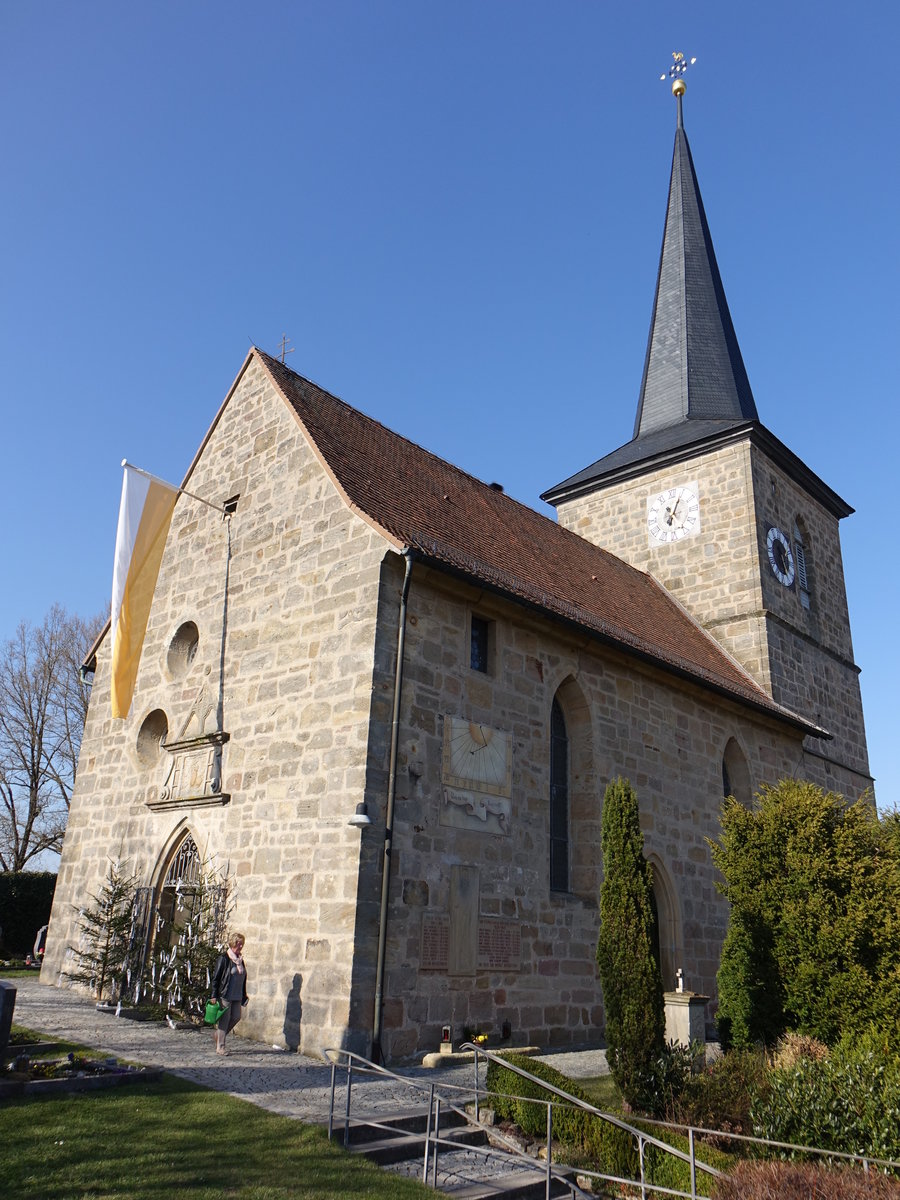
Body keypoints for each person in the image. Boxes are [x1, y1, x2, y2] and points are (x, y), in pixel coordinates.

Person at [210, 932, 249, 1055]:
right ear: (233, 943)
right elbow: (216, 978)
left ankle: (218, 1035)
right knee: (224, 1020)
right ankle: (220, 1047)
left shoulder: (240, 960)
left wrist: (244, 995)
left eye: (242, 944)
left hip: (237, 995)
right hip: (225, 994)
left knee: (236, 1017)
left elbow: (243, 978)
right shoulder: (224, 958)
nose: (241, 946)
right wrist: (214, 995)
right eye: (238, 944)